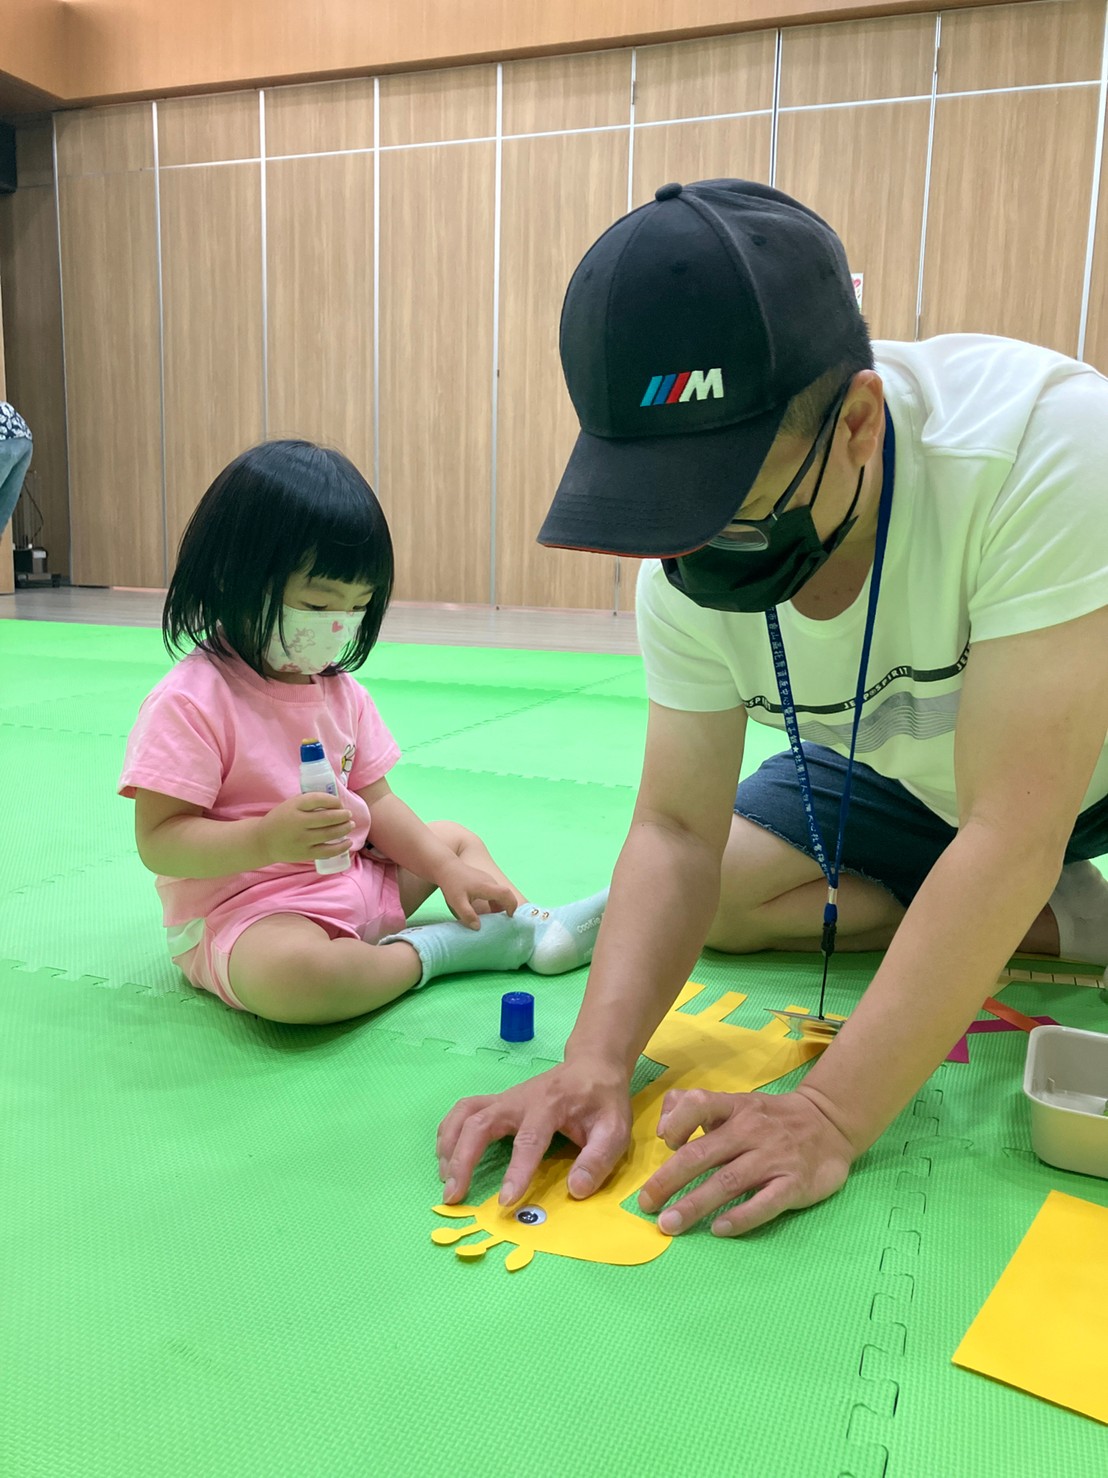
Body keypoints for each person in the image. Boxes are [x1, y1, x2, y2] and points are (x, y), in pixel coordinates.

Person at [437, 178, 1108, 1238]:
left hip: (1073, 749)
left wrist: (830, 1109)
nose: (691, 557)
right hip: (902, 765)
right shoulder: (686, 557)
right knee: (732, 898)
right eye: (666, 518)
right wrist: (594, 1061)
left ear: (855, 422)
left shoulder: (1042, 446)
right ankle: (1066, 919)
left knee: (1002, 845)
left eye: (734, 517)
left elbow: (1014, 822)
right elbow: (673, 829)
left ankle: (999, 907)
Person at [119, 440, 606, 1023]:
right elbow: (161, 839)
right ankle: (439, 952)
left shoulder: (340, 691)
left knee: (450, 839)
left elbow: (377, 799)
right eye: (317, 603)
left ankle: (531, 927)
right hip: (251, 914)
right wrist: (265, 842)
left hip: (350, 883)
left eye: (356, 608)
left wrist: (446, 871)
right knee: (297, 981)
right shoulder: (190, 701)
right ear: (233, 576)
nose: (336, 628)